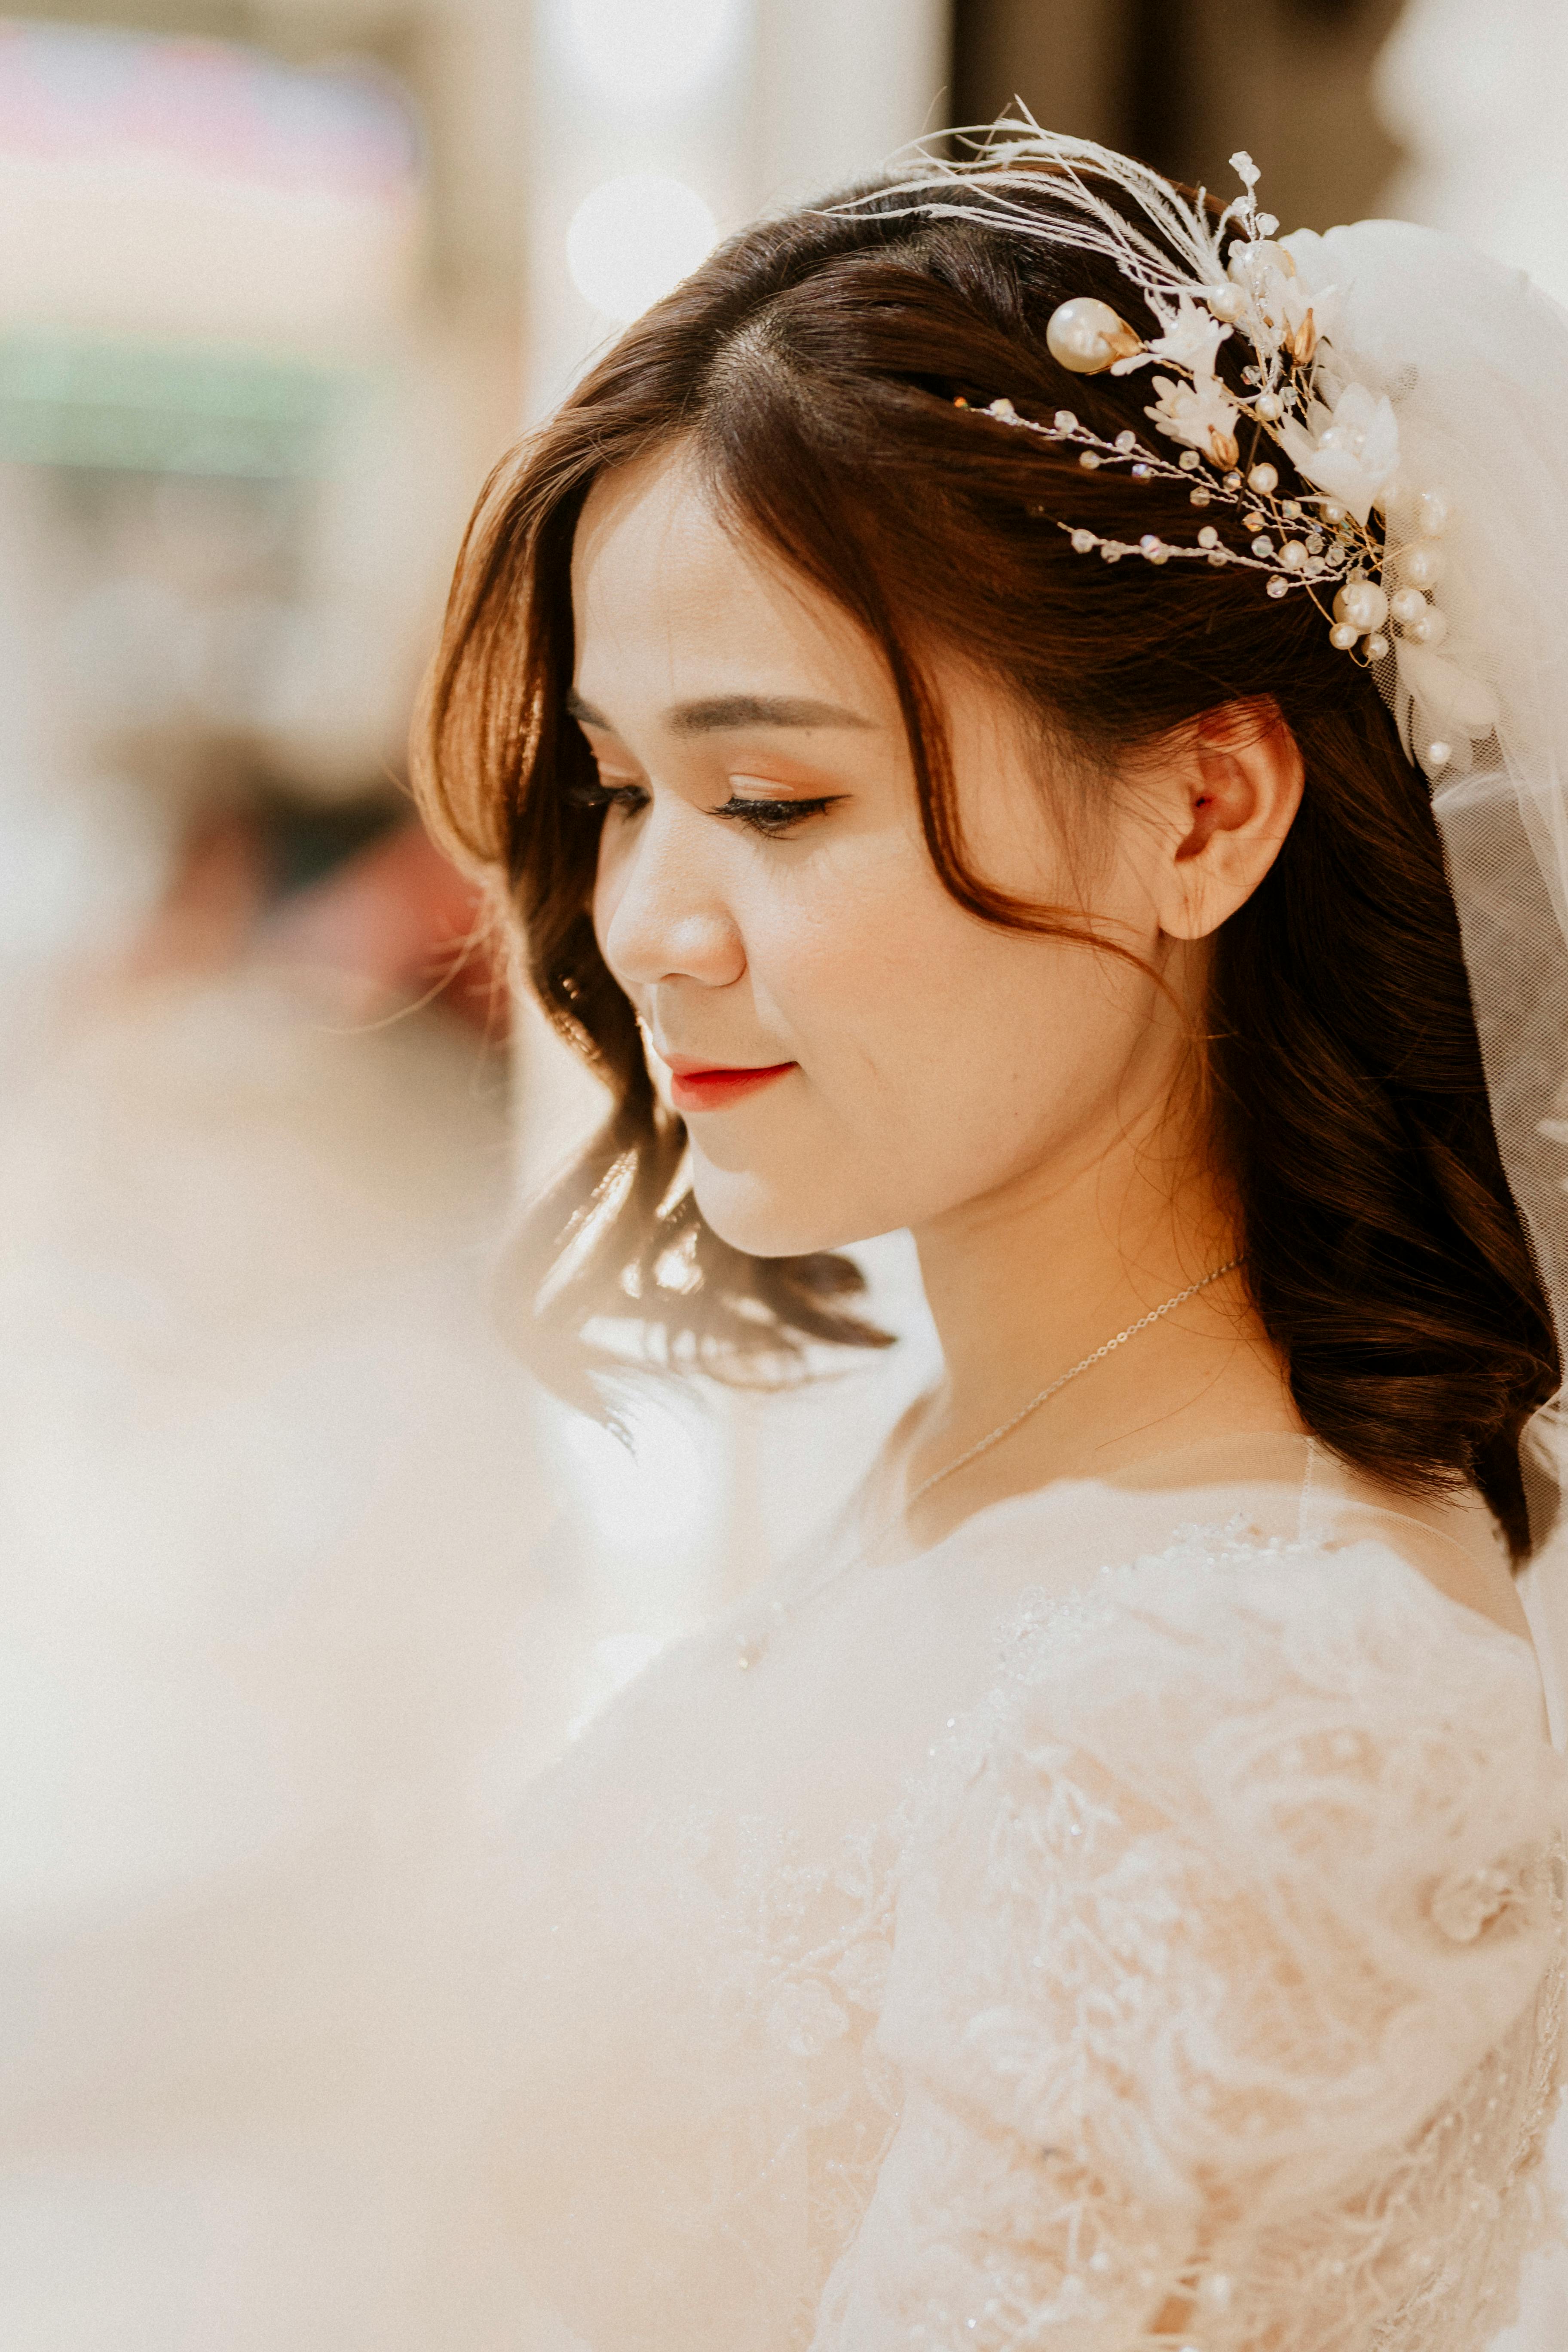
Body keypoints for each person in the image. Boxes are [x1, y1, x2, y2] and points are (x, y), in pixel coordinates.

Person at [415, 126, 1568, 2350]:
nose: (645, 924)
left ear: (1208, 808)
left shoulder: (1258, 1714)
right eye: (625, 787)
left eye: (776, 802)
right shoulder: (998, 1441)